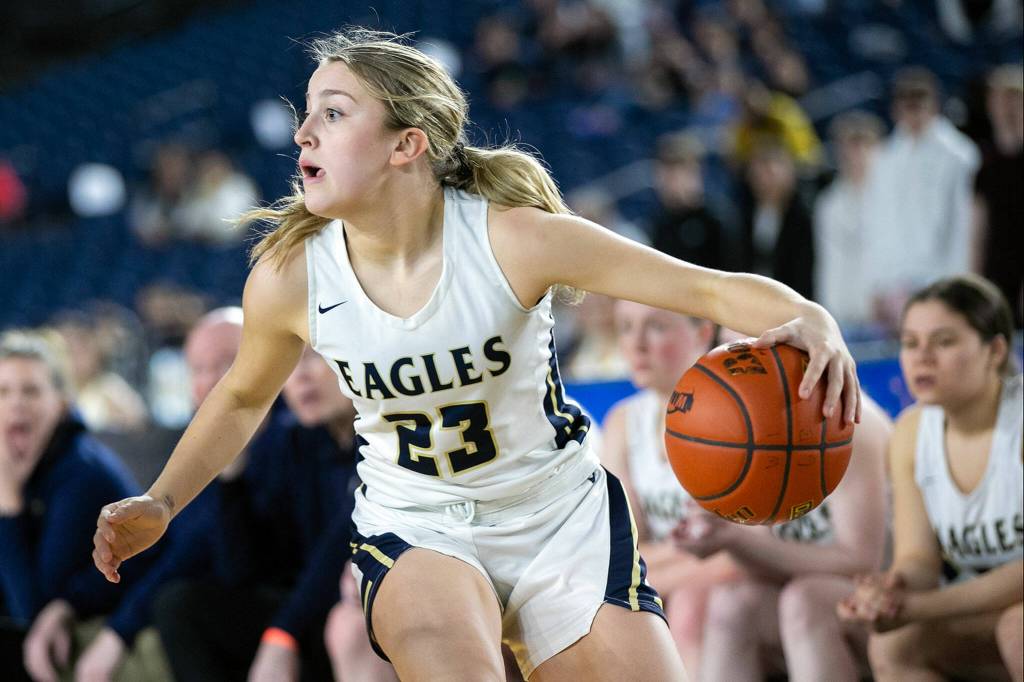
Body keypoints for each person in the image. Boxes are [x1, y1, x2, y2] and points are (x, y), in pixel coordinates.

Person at [92, 28, 859, 682]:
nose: (303, 135)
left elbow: (713, 292)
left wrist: (808, 315)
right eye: (306, 115)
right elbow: (241, 395)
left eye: (332, 113)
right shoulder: (291, 274)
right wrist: (162, 500)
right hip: (419, 523)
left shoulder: (511, 238)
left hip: (559, 517)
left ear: (406, 144)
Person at [838, 274, 1023, 682]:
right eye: (909, 343)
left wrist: (918, 608)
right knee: (892, 643)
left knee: (1017, 630)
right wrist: (890, 590)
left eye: (943, 342)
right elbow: (919, 558)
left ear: (995, 350)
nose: (922, 357)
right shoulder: (910, 432)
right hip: (986, 611)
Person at [153, 338, 361, 682]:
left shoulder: (388, 439)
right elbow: (244, 572)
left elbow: (337, 545)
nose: (300, 377)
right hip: (307, 614)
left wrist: (282, 632)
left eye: (313, 358)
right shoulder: (292, 440)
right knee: (181, 604)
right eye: (290, 364)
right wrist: (232, 477)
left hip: (348, 607)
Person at [676, 394, 891, 682]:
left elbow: (862, 564)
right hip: (809, 603)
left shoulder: (849, 426)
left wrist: (737, 539)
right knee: (731, 604)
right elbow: (760, 563)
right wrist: (721, 536)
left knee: (805, 600)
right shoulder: (753, 422)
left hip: (887, 608)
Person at [600, 301, 743, 675]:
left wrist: (644, 580)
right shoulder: (623, 421)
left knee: (686, 606)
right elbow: (624, 548)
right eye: (626, 327)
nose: (637, 344)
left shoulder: (736, 416)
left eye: (657, 327)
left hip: (750, 576)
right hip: (675, 573)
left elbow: (739, 555)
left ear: (703, 332)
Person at [0, 330, 146, 682]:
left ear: (61, 403)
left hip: (87, 622)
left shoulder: (81, 471)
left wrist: (8, 503)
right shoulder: (20, 462)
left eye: (31, 391)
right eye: (3, 391)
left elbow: (32, 612)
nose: (15, 403)